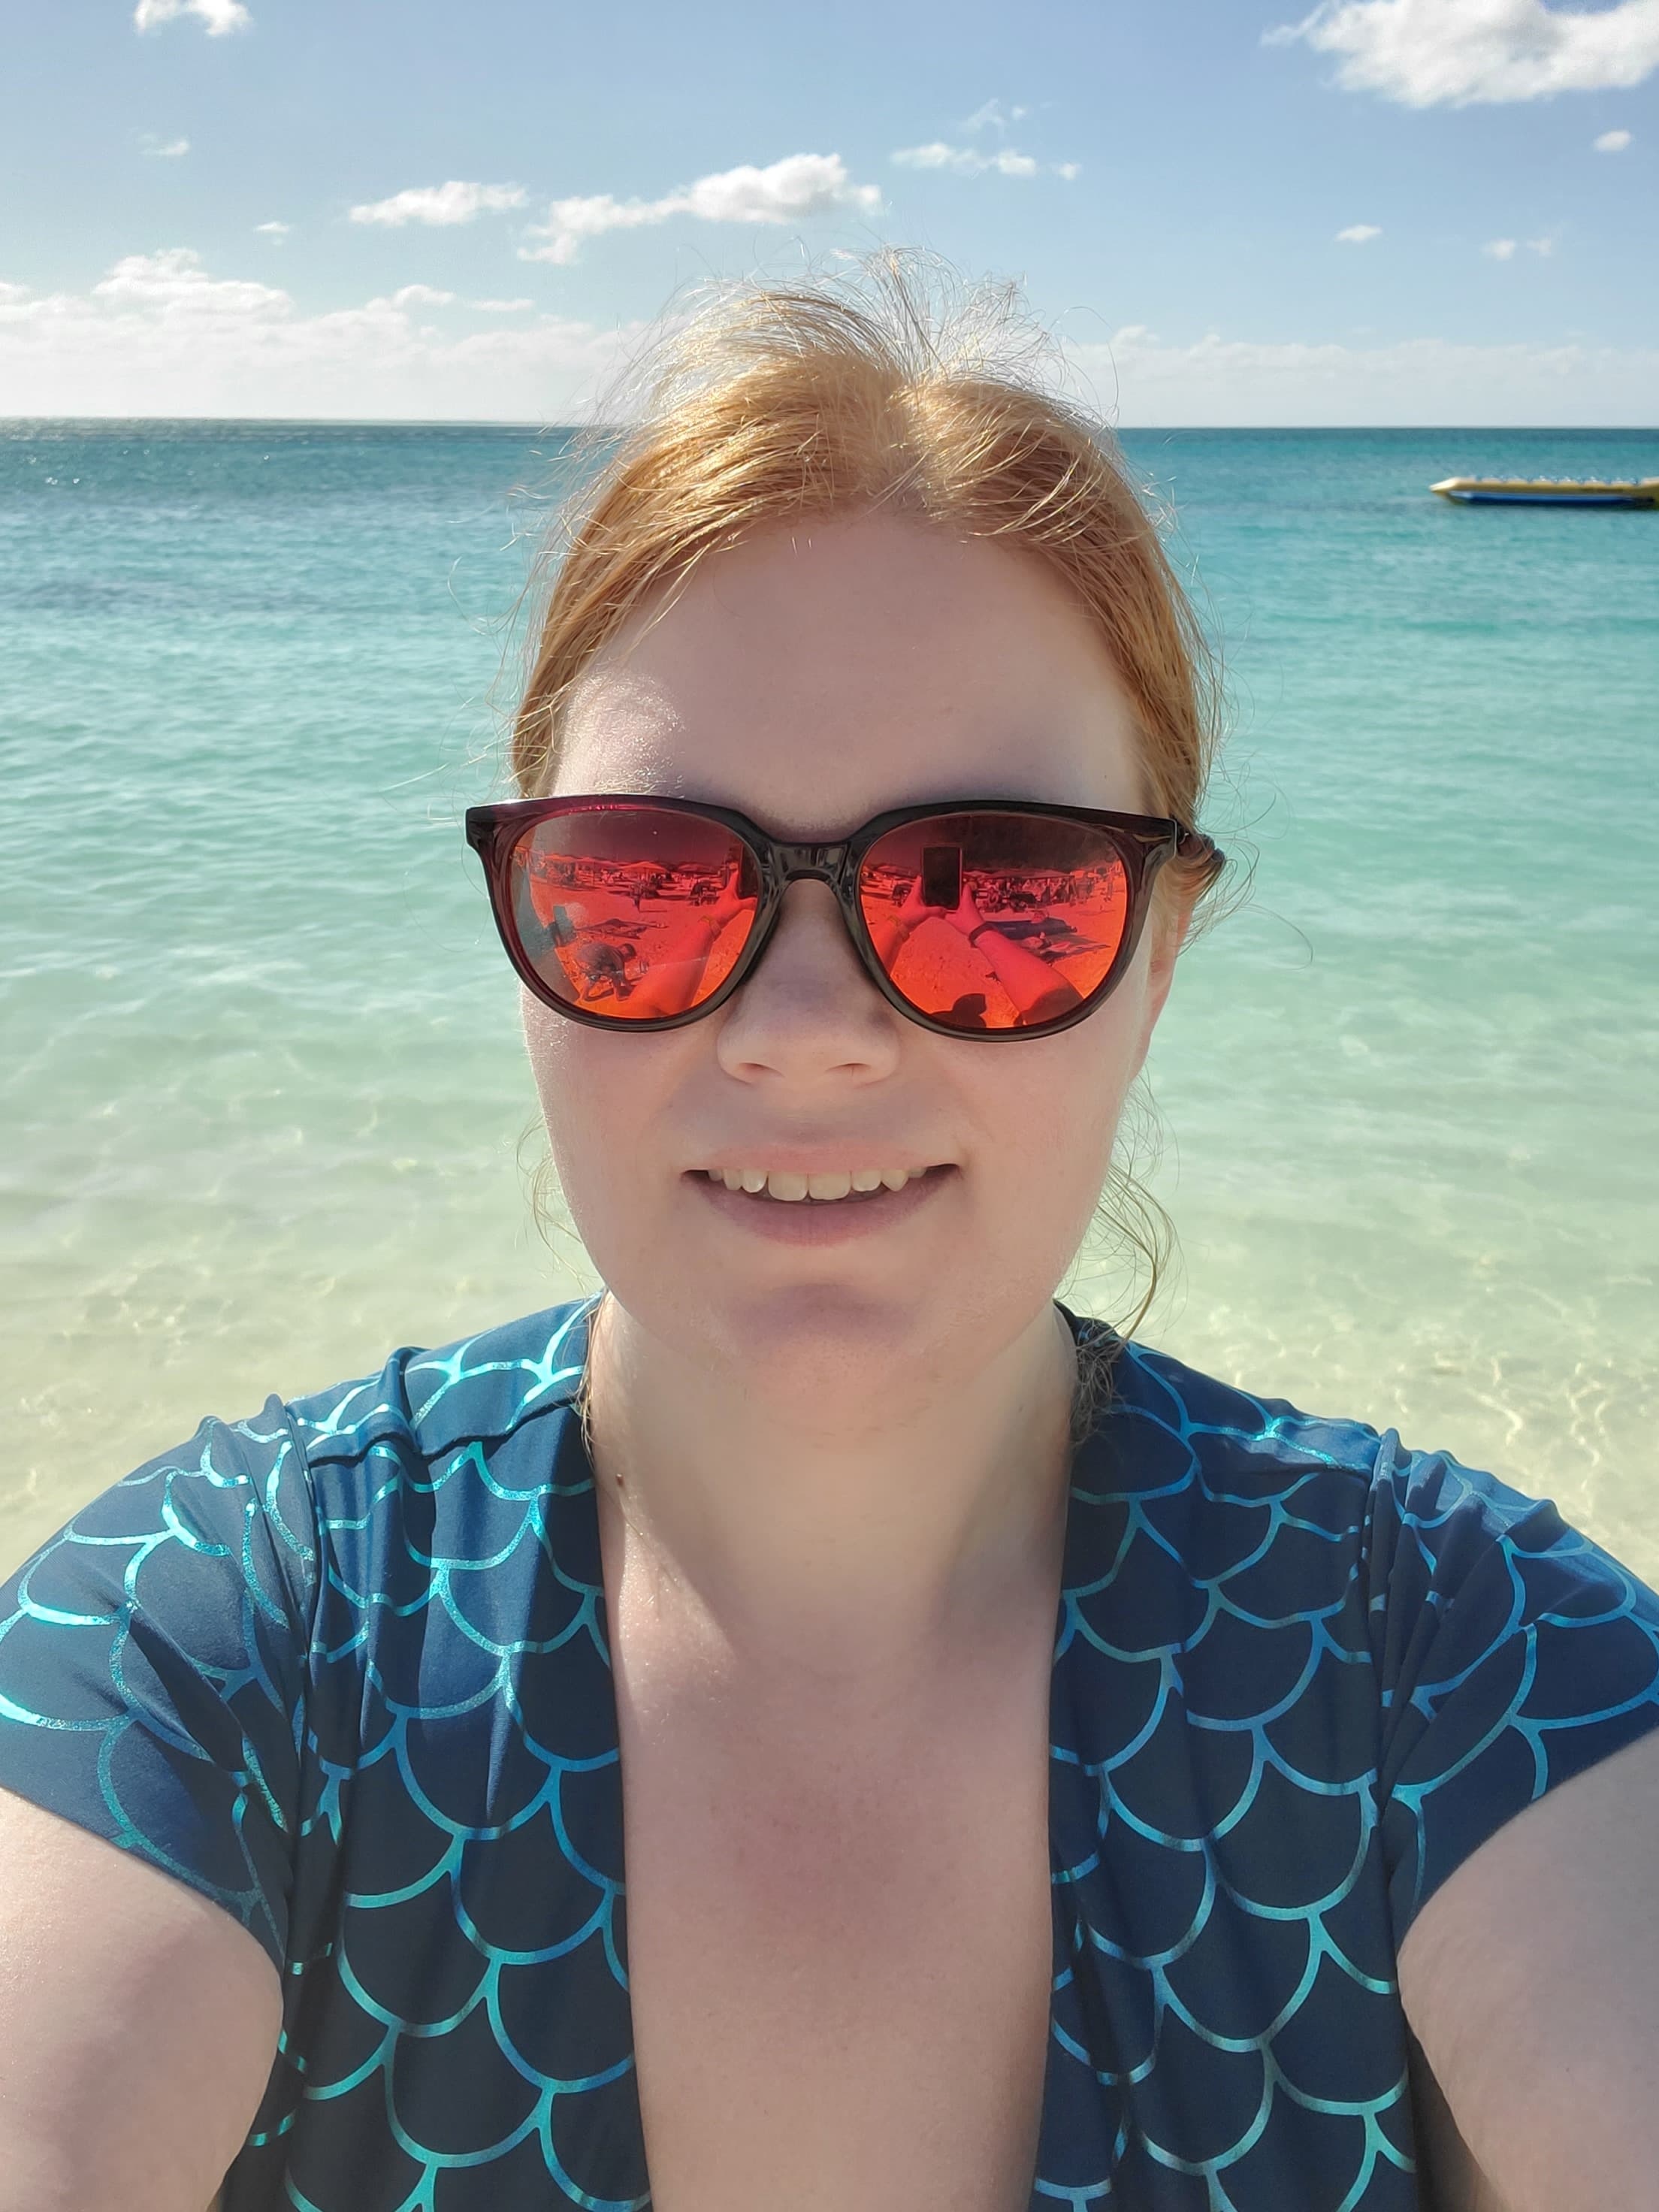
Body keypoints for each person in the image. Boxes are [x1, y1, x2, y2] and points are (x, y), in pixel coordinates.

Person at [1, 267, 1656, 2212]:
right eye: (643, 891)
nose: (804, 1033)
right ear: (525, 932)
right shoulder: (224, 1650)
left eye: (999, 899)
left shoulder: (1454, 1659)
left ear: (1162, 955)